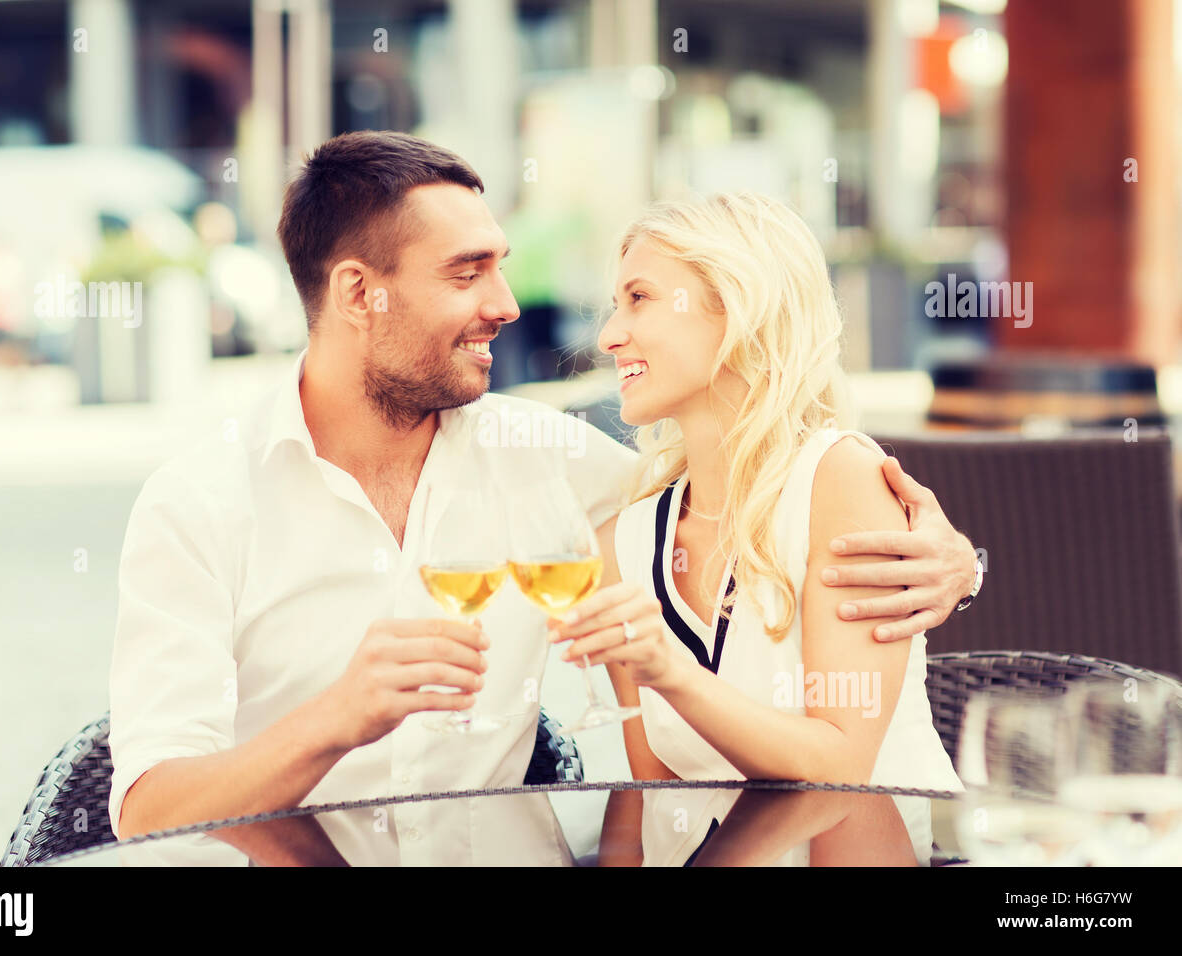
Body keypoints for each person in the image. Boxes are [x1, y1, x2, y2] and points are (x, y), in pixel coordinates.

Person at [109, 132, 978, 866]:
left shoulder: (548, 458)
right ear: (357, 294)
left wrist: (958, 562)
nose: (507, 305)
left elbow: (744, 493)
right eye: (466, 273)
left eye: (502, 268)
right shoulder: (200, 505)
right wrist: (334, 721)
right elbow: (150, 805)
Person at [550, 191, 965, 867]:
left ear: (736, 308)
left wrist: (670, 673)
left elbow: (839, 769)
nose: (608, 334)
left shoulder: (839, 482)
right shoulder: (621, 544)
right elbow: (643, 793)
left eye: (639, 298)